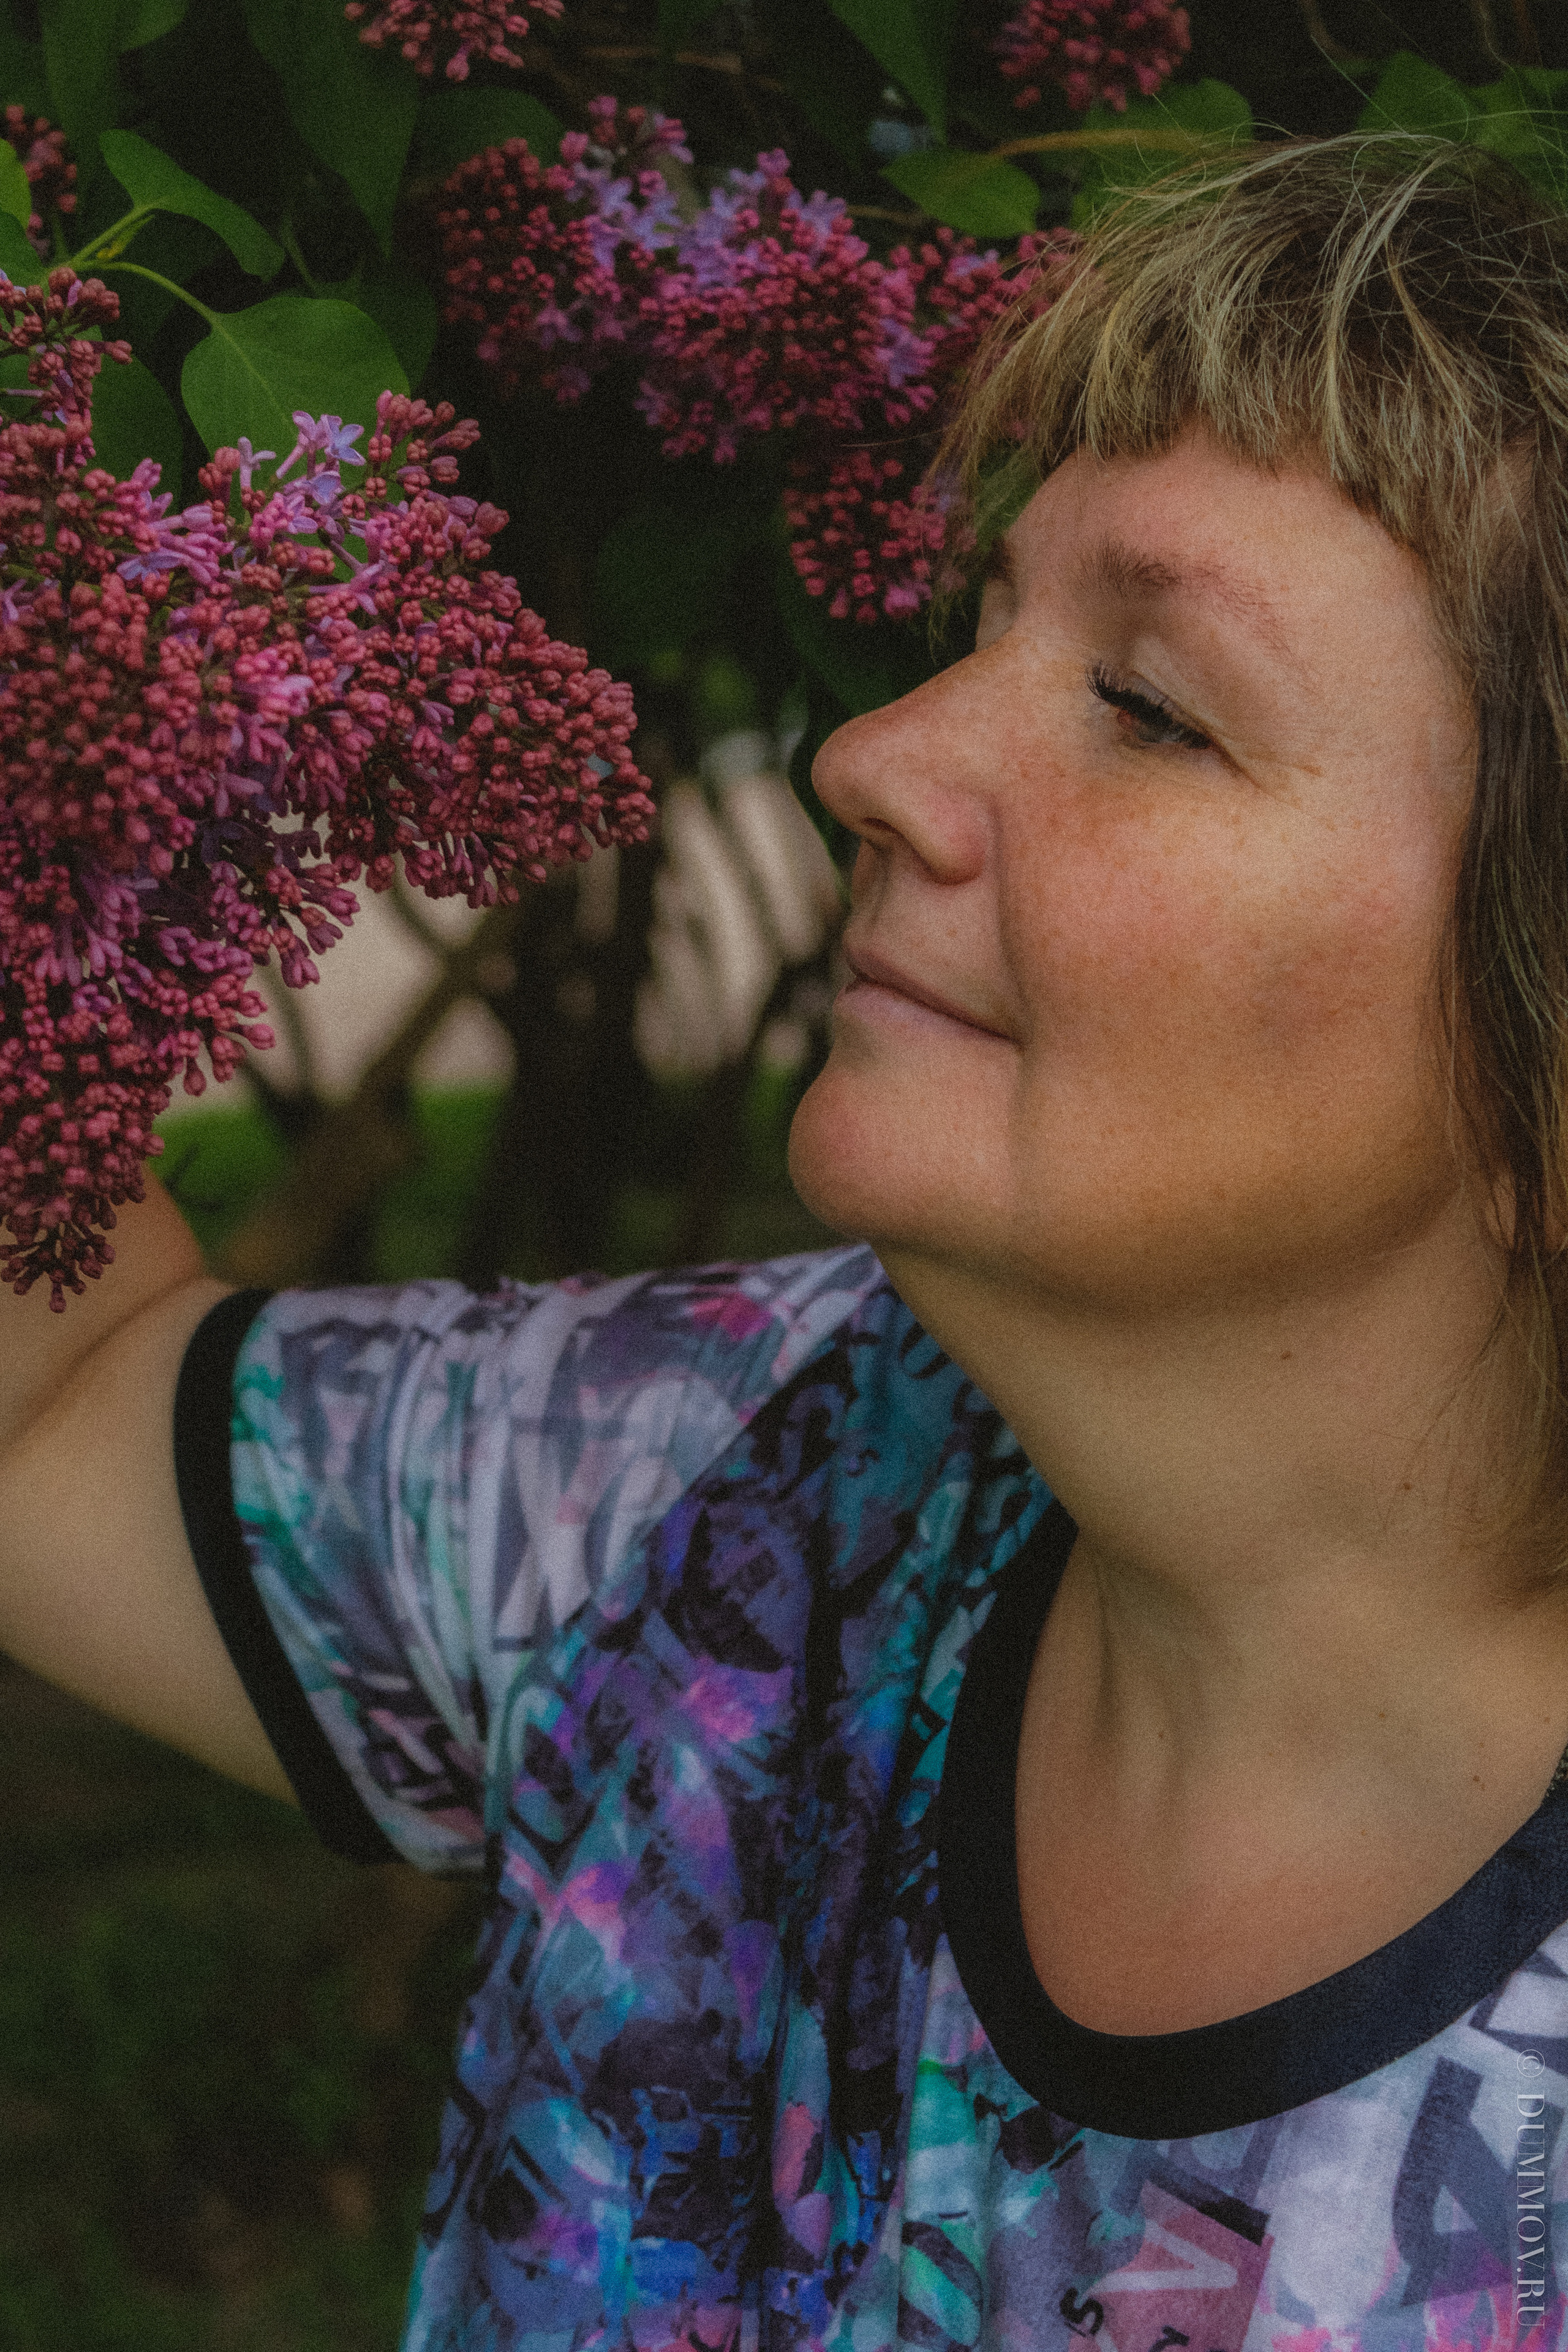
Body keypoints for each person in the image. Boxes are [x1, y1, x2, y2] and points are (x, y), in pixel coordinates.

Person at [1, 129, 1566, 2348]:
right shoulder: (745, 1477)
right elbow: (46, 1408)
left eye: (1148, 705)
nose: (873, 753)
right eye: (980, 627)